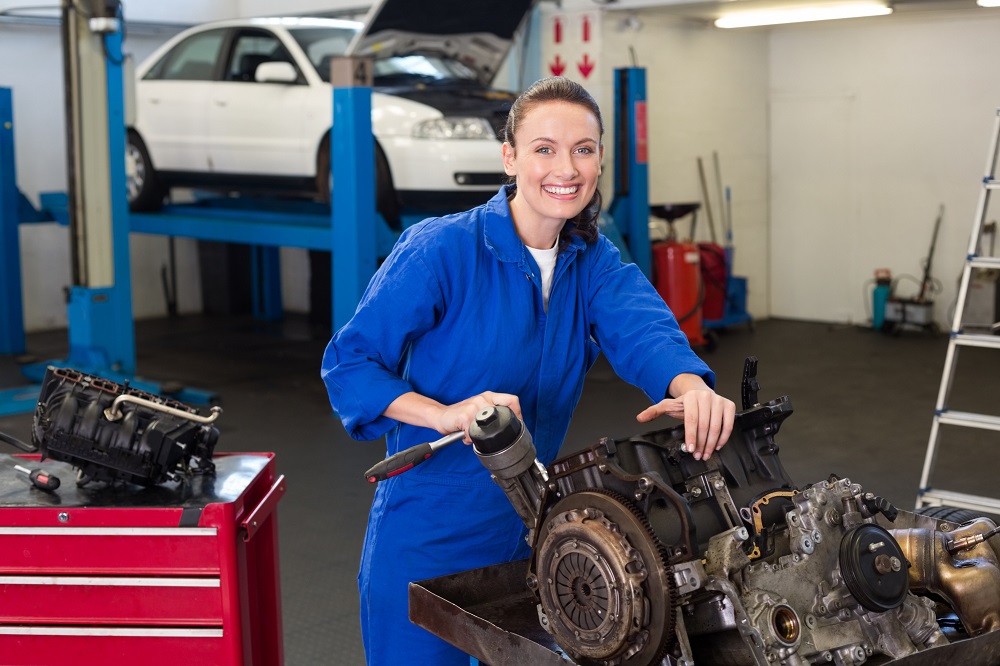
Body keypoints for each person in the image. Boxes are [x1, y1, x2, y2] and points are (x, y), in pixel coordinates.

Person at [321, 76, 736, 666]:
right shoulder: (441, 249)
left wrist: (689, 387)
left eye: (583, 150)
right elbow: (351, 363)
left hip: (533, 531)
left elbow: (643, 328)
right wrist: (445, 414)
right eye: (544, 148)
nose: (565, 168)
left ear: (598, 162)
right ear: (510, 157)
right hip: (427, 533)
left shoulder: (590, 259)